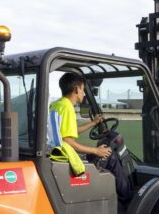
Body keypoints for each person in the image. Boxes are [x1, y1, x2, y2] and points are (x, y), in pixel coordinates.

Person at [49, 72, 133, 205]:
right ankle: (127, 200)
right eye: (82, 90)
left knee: (104, 153)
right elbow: (67, 140)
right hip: (68, 159)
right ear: (77, 89)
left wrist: (93, 123)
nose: (83, 94)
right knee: (111, 156)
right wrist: (96, 151)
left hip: (59, 155)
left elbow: (69, 130)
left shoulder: (57, 105)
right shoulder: (68, 107)